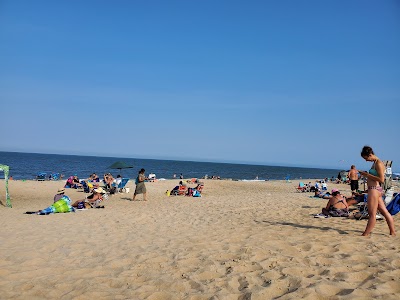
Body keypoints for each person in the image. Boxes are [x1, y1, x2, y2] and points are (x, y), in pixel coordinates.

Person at [359, 146, 395, 236]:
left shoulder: (379, 163)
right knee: (384, 212)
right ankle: (392, 232)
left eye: (366, 158)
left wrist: (366, 174)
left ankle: (365, 234)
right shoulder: (375, 162)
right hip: (376, 189)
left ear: (370, 155)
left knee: (372, 214)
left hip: (374, 190)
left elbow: (381, 179)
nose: (366, 160)